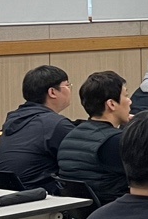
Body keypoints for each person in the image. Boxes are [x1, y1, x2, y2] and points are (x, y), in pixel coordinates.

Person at [0, 65, 75, 192]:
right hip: (38, 196)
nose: (70, 90)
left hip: (5, 193)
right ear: (52, 92)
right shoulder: (55, 124)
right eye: (67, 85)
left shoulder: (14, 118)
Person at [57, 71, 132, 202]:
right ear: (111, 104)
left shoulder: (70, 136)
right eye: (126, 96)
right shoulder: (115, 141)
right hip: (116, 209)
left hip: (82, 211)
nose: (130, 101)